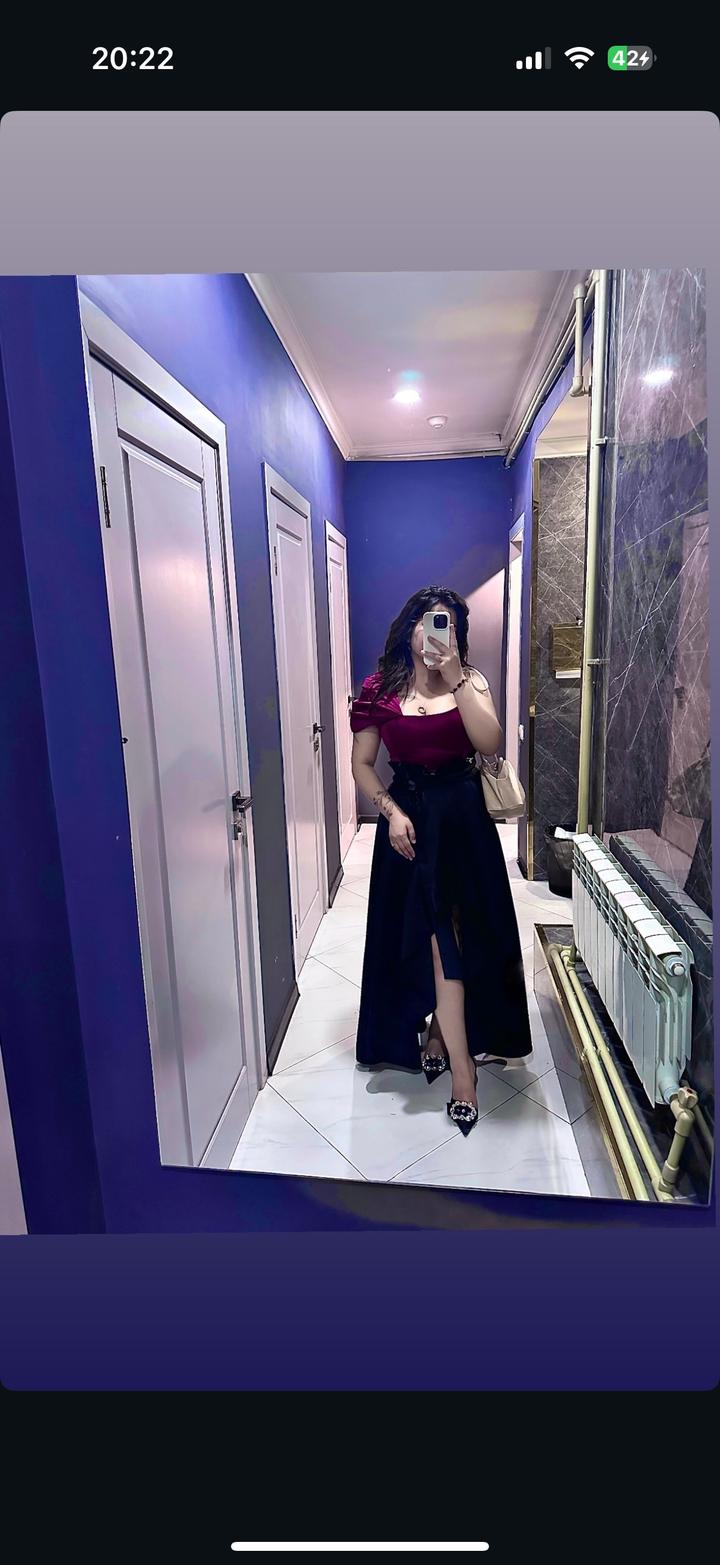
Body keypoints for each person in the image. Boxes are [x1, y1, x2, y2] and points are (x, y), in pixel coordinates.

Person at [350, 585, 533, 1136]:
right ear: (409, 627)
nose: (437, 632)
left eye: (448, 624)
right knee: (428, 940)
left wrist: (455, 677)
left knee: (456, 942)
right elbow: (362, 764)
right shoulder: (379, 689)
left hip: (463, 826)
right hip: (407, 829)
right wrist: (389, 813)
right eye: (430, 621)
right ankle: (450, 1052)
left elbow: (490, 744)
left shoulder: (469, 682)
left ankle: (455, 1060)